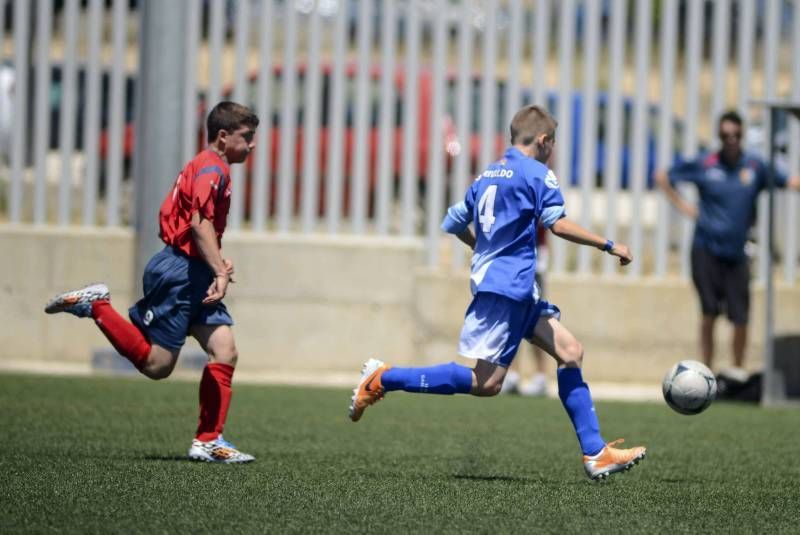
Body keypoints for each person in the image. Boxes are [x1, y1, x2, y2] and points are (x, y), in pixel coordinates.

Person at [349, 105, 646, 481]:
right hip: (506, 289)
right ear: (542, 140)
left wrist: (483, 248)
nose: (551, 152)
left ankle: (595, 452)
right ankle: (383, 378)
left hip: (515, 288)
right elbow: (557, 224)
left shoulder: (487, 173)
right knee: (487, 384)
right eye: (551, 144)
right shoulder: (537, 173)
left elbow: (453, 220)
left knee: (570, 352)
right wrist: (609, 244)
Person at [44, 101, 259, 464]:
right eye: (247, 137)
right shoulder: (212, 169)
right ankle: (97, 305)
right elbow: (198, 223)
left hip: (193, 269)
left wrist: (217, 263)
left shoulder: (211, 165)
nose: (252, 145)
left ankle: (208, 440)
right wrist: (219, 271)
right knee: (158, 366)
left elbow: (196, 226)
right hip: (181, 272)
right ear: (223, 137)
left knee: (225, 350)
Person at [655, 110, 800, 371]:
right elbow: (664, 177)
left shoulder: (755, 166)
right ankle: (706, 371)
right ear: (719, 136)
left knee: (740, 316)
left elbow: (789, 181)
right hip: (706, 249)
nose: (731, 140)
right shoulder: (705, 163)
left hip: (737, 252)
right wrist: (686, 208)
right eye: (725, 135)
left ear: (742, 136)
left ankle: (736, 372)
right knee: (709, 312)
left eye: (735, 135)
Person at [501, 225, 550, 397]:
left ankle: (541, 376)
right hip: (514, 262)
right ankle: (512, 374)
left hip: (533, 263)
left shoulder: (538, 198)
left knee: (534, 322)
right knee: (512, 321)